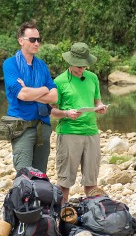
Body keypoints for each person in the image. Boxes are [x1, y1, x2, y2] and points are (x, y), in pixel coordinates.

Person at [51, 42, 108, 202]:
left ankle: (94, 216)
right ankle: (62, 217)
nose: (81, 69)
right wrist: (66, 113)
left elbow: (97, 101)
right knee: (64, 183)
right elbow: (52, 111)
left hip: (92, 133)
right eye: (78, 66)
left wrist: (100, 107)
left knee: (91, 182)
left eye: (84, 66)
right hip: (69, 133)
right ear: (70, 61)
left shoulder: (93, 78)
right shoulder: (59, 81)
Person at [3, 20, 57, 173]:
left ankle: (39, 198)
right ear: (21, 41)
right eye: (32, 39)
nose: (37, 43)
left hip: (43, 126)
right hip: (21, 127)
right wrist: (44, 89)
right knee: (24, 176)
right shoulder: (10, 64)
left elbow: (54, 97)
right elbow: (22, 94)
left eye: (39, 39)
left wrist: (31, 90)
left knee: (41, 176)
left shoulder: (42, 65)